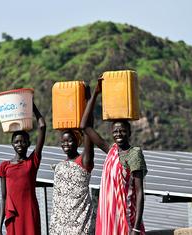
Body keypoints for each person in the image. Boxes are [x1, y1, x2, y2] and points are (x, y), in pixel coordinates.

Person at [80, 79, 148, 235]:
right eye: (115, 131)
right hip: (108, 220)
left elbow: (139, 192)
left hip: (127, 221)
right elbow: (85, 126)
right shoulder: (111, 150)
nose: (119, 134)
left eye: (123, 131)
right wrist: (95, 94)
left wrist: (136, 227)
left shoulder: (134, 154)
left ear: (130, 133)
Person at [49, 88, 96, 235]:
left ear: (78, 142)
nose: (66, 144)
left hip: (80, 224)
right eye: (63, 142)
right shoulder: (60, 166)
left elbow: (89, 129)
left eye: (70, 141)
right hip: (59, 225)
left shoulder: (84, 161)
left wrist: (90, 99)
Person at [0, 102, 46, 235]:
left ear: (29, 144)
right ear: (12, 144)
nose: (20, 144)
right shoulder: (4, 166)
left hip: (29, 212)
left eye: (23, 141)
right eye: (17, 142)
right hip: (13, 214)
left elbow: (42, 126)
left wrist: (32, 105)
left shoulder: (32, 162)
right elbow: (3, 197)